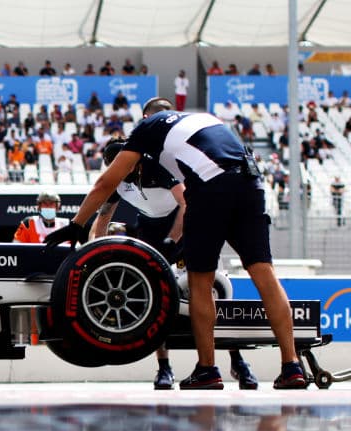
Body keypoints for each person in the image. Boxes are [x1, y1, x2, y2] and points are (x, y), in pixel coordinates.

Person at [54, 97, 307, 389]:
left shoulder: (146, 129)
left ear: (146, 117)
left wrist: (75, 225)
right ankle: (292, 367)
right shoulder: (201, 117)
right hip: (251, 181)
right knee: (264, 274)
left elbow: (106, 183)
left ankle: (207, 370)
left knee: (201, 281)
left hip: (210, 188)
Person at [93, 138, 258, 390]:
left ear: (132, 162)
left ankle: (238, 361)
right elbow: (102, 219)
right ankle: (164, 368)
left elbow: (185, 203)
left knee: (212, 296)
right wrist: (96, 252)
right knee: (155, 302)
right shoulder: (116, 183)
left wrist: (173, 240)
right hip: (149, 232)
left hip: (182, 230)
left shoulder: (155, 168)